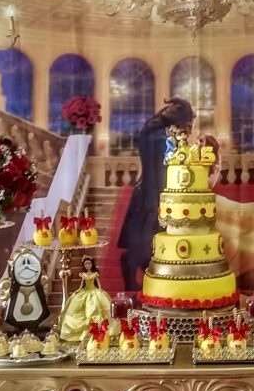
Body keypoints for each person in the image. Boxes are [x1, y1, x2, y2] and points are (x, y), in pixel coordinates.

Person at [117, 97, 195, 290]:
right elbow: (163, 173)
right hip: (155, 196)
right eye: (188, 125)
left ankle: (135, 280)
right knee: (149, 243)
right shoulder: (164, 141)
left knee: (141, 242)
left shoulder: (149, 133)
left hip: (143, 192)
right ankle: (142, 281)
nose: (190, 131)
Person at [56, 256, 113, 342]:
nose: (88, 265)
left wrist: (100, 290)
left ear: (92, 264)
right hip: (85, 290)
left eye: (89, 263)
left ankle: (99, 330)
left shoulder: (95, 274)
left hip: (94, 291)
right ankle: (81, 334)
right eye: (86, 264)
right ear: (84, 265)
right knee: (77, 306)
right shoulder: (83, 274)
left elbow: (98, 283)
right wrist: (78, 290)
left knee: (97, 305)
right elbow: (82, 285)